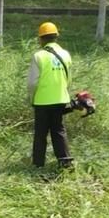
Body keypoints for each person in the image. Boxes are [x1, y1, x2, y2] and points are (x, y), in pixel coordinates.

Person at [27, 22, 74, 168]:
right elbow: (69, 79)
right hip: (60, 99)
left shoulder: (38, 56)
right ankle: (65, 162)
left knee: (41, 134)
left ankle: (38, 164)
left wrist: (31, 97)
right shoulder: (65, 54)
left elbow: (32, 83)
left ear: (40, 39)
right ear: (56, 37)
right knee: (59, 130)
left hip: (42, 101)